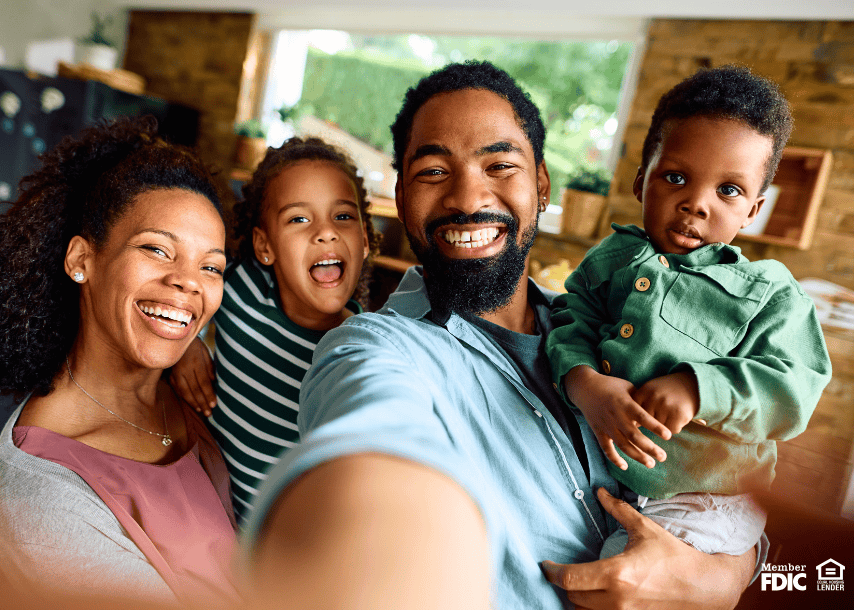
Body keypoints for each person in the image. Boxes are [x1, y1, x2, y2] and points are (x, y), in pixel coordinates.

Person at [239, 61, 762, 610]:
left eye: (499, 164)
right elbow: (370, 455)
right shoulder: (370, 350)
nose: (468, 198)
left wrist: (716, 578)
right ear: (400, 193)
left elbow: (732, 497)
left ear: (540, 183)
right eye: (434, 171)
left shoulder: (622, 335)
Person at [545, 65, 832, 560]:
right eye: (675, 177)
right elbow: (570, 325)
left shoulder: (770, 293)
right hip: (606, 475)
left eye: (729, 191)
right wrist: (585, 383)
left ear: (753, 210)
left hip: (707, 498)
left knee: (624, 577)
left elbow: (794, 390)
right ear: (641, 182)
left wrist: (700, 388)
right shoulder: (611, 260)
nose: (695, 204)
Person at [0, 118, 239, 606]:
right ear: (81, 260)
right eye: (157, 249)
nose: (188, 281)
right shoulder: (40, 487)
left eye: (210, 266)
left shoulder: (195, 385)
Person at [168, 137, 377, 522]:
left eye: (343, 217)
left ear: (364, 241)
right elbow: (183, 299)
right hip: (203, 519)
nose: (325, 233)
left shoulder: (360, 353)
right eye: (299, 219)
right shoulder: (242, 287)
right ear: (265, 246)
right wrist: (187, 343)